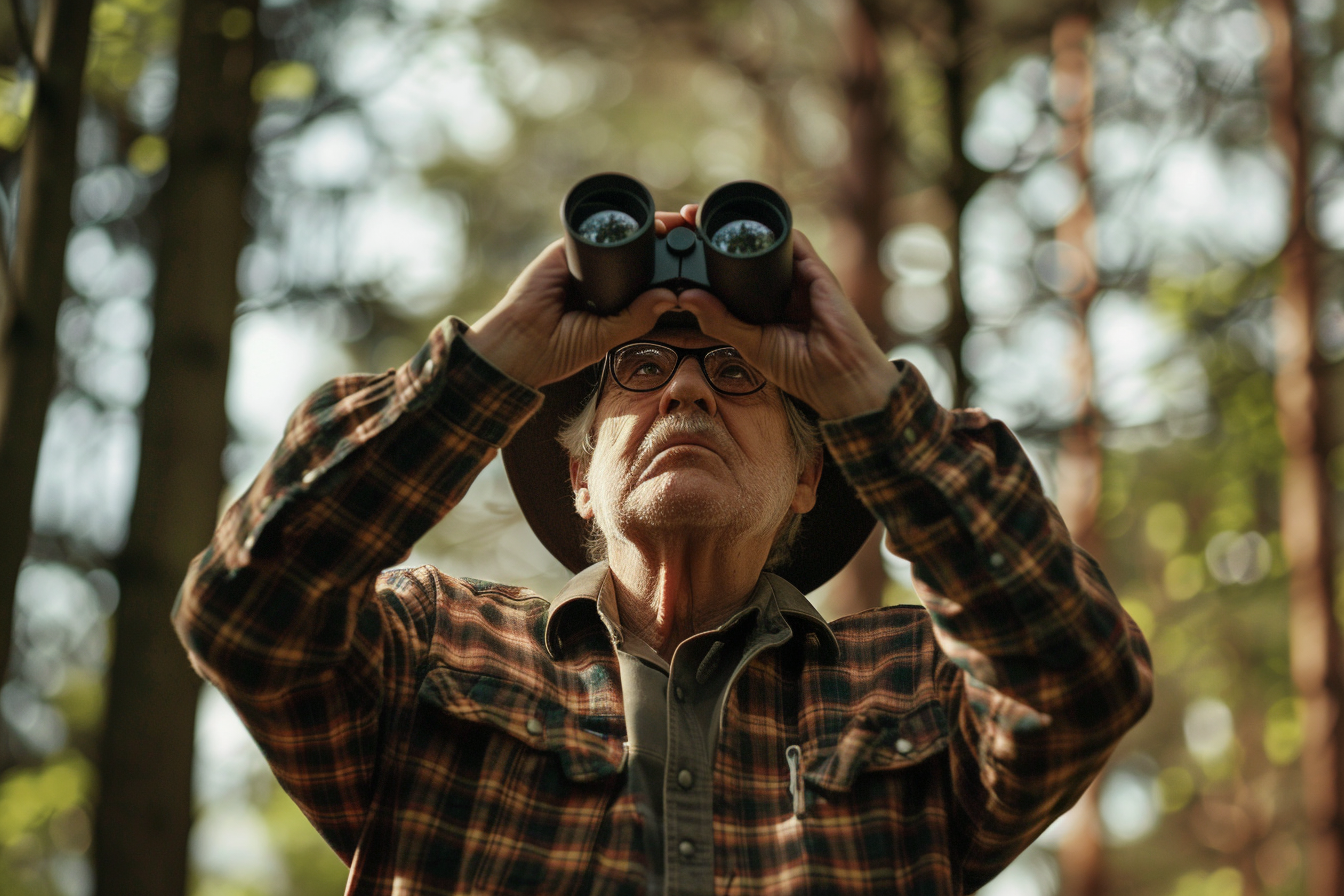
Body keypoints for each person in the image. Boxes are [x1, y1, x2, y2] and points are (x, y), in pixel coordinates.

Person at [174, 203, 1153, 895]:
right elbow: (245, 606)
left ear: (814, 475)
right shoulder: (434, 645)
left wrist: (870, 399)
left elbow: (1082, 678)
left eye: (736, 372)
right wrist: (497, 357)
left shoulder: (910, 685)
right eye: (640, 369)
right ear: (578, 478)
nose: (686, 394)